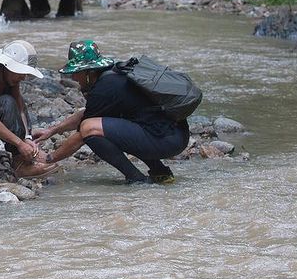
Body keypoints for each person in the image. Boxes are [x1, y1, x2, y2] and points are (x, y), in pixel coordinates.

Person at [36, 40, 188, 184]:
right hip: (175, 134)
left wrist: (48, 158)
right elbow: (86, 113)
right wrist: (52, 130)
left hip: (167, 141)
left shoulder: (104, 88)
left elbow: (83, 132)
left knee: (90, 129)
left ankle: (136, 180)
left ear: (89, 72)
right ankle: (160, 172)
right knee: (107, 125)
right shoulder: (114, 74)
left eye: (77, 72)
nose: (74, 77)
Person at [0, 40, 58, 179]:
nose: (24, 77)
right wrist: (19, 144)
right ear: (5, 66)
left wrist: (27, 137)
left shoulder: (9, 78)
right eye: (21, 72)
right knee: (6, 102)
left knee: (16, 102)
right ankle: (20, 162)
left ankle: (24, 157)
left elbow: (20, 108)